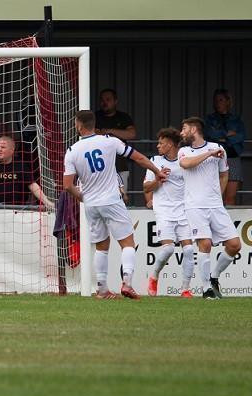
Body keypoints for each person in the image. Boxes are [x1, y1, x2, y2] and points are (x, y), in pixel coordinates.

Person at [62, 110, 166, 300]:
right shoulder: (110, 141)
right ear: (94, 124)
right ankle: (127, 283)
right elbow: (139, 158)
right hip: (111, 200)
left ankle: (102, 290)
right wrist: (157, 171)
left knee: (102, 246)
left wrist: (83, 198)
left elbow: (68, 185)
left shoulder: (72, 150)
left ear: (78, 125)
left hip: (91, 205)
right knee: (127, 243)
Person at [178, 117, 242, 299]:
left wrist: (218, 196)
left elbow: (224, 175)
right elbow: (186, 164)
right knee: (205, 244)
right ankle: (206, 289)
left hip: (215, 205)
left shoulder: (218, 149)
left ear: (194, 129)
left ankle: (214, 277)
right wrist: (209, 154)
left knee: (235, 245)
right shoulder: (184, 151)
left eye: (184, 129)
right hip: (195, 206)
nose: (181, 133)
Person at [143, 128, 195, 298]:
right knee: (168, 249)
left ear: (171, 144)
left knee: (188, 250)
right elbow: (146, 187)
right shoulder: (155, 161)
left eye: (161, 143)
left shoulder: (184, 161)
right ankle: (154, 276)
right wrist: (158, 179)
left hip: (183, 210)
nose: (158, 146)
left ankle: (185, 289)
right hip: (164, 210)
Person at [0, 135, 53, 209]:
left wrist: (46, 201)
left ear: (12, 150)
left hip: (16, 210)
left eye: (3, 147)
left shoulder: (21, 165)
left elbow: (33, 185)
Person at [204, 89, 246, 205]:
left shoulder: (236, 120)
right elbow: (209, 135)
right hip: (215, 159)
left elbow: (241, 137)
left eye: (221, 100)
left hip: (233, 158)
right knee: (214, 197)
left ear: (228, 101)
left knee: (230, 198)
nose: (218, 103)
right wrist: (227, 135)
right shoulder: (210, 119)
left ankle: (227, 222)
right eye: (216, 101)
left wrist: (222, 138)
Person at [95, 89, 136, 194]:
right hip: (99, 165)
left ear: (115, 101)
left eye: (108, 99)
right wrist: (118, 134)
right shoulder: (95, 117)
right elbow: (91, 133)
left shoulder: (123, 117)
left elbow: (131, 134)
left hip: (120, 164)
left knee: (122, 196)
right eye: (102, 100)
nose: (105, 103)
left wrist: (109, 131)